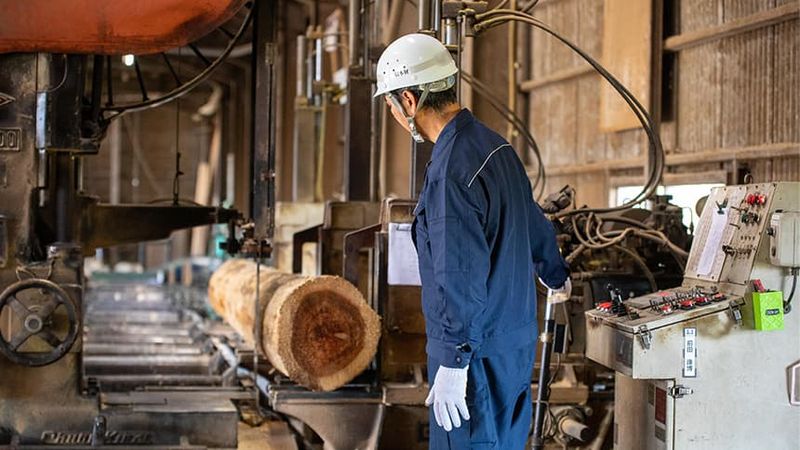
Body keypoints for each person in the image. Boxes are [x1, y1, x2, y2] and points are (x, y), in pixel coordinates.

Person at [375, 33, 572, 449]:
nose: (393, 113)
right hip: (513, 347)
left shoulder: (451, 169)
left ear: (408, 100)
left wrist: (453, 359)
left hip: (475, 356)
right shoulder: (497, 147)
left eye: (390, 105)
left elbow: (458, 273)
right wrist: (555, 273)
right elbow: (533, 220)